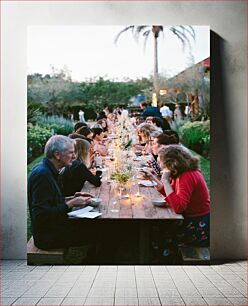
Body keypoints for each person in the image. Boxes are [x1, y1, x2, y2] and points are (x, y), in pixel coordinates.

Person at [28, 135, 95, 249]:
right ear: (57, 155)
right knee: (101, 230)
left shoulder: (49, 170)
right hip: (49, 236)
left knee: (96, 225)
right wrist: (71, 204)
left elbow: (51, 201)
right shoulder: (43, 175)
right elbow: (41, 215)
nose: (74, 156)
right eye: (71, 153)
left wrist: (71, 198)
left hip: (56, 228)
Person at [157, 145, 210, 247]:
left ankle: (165, 259)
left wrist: (165, 182)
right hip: (191, 219)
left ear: (171, 163)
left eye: (162, 164)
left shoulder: (187, 176)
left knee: (160, 234)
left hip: (197, 224)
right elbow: (173, 195)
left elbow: (179, 207)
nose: (161, 166)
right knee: (159, 228)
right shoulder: (182, 173)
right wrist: (161, 185)